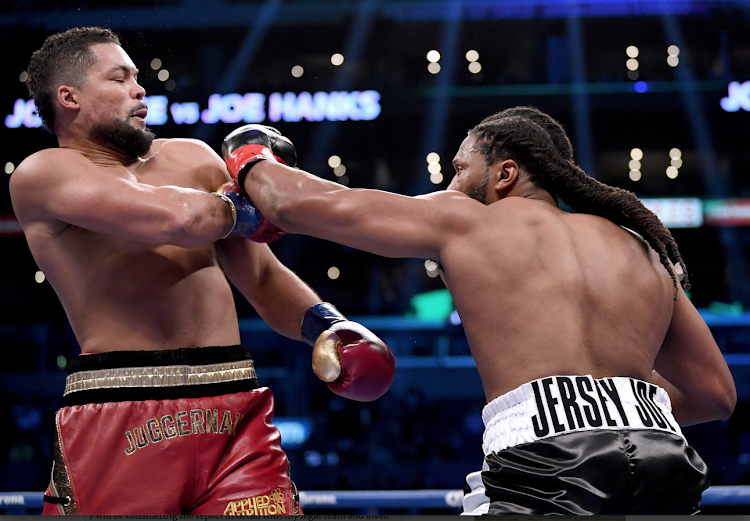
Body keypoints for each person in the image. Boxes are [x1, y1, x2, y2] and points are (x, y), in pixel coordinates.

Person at [220, 110, 737, 515]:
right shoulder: (639, 246)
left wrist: (250, 153)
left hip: (548, 459)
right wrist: (611, 403)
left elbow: (292, 204)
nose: (449, 187)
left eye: (461, 169)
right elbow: (715, 393)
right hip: (665, 456)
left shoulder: (465, 221)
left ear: (506, 172)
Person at [10, 27, 395, 515]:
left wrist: (329, 325)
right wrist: (260, 196)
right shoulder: (43, 175)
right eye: (120, 77)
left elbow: (261, 277)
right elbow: (178, 219)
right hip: (122, 406)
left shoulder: (192, 158)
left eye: (138, 76)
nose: (140, 88)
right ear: (69, 97)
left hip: (233, 404)